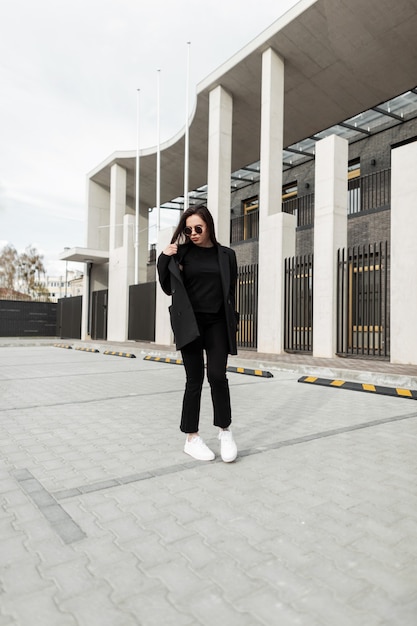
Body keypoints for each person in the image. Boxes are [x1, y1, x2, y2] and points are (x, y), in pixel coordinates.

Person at [157, 205, 239, 463]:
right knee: (194, 380)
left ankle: (225, 431)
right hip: (190, 324)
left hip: (216, 324)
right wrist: (163, 257)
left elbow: (230, 291)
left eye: (198, 228)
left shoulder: (226, 255)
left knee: (217, 376)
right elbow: (167, 286)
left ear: (209, 226)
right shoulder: (181, 253)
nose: (193, 233)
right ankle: (191, 437)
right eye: (188, 229)